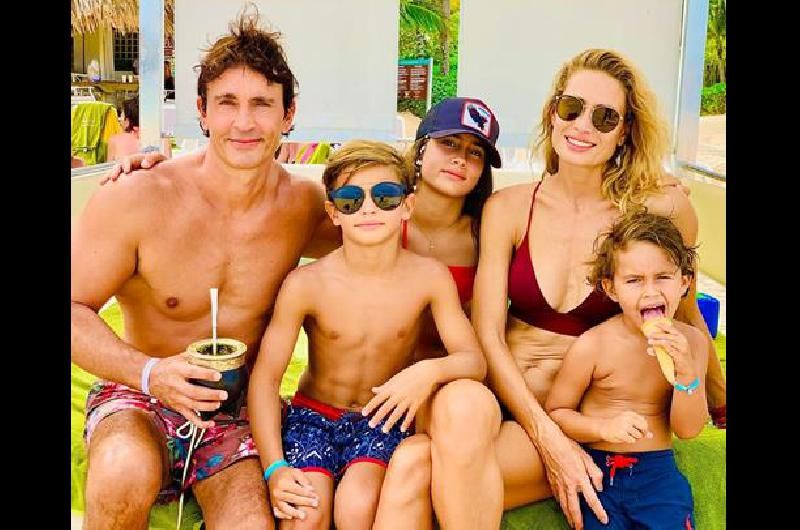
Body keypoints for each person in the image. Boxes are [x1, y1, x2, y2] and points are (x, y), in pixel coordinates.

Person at [377, 48, 725, 530]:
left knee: (414, 466)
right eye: (571, 108)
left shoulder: (658, 211)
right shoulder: (508, 208)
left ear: (625, 131)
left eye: (604, 118)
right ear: (553, 112)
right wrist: (547, 438)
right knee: (456, 407)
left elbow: (684, 312)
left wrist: (719, 398)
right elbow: (488, 333)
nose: (583, 126)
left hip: (579, 414)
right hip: (499, 399)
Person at [71, 10, 339, 529]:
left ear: (288, 114)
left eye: (262, 103)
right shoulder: (137, 197)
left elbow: (398, 226)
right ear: (202, 111)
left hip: (235, 414)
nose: (244, 122)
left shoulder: (304, 206)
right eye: (227, 103)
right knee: (120, 471)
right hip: (140, 393)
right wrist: (149, 373)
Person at [249, 140, 486, 529]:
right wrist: (274, 466)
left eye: (385, 196)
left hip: (381, 418)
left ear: (407, 205)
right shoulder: (307, 284)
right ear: (333, 213)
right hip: (312, 416)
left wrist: (427, 371)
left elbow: (473, 360)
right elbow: (266, 378)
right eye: (350, 200)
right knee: (304, 515)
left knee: (356, 509)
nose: (369, 209)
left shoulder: (428, 277)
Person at [545, 211, 707, 529]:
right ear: (611, 288)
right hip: (600, 471)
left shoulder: (693, 343)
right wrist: (602, 428)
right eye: (634, 281)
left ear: (684, 282)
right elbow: (557, 412)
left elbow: (688, 430)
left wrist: (686, 373)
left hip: (658, 474)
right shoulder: (594, 345)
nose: (650, 292)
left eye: (663, 277)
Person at [107, 96, 140, 162]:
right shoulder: (156, 139)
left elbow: (109, 166)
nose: (119, 120)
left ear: (127, 121)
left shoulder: (115, 140)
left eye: (121, 115)